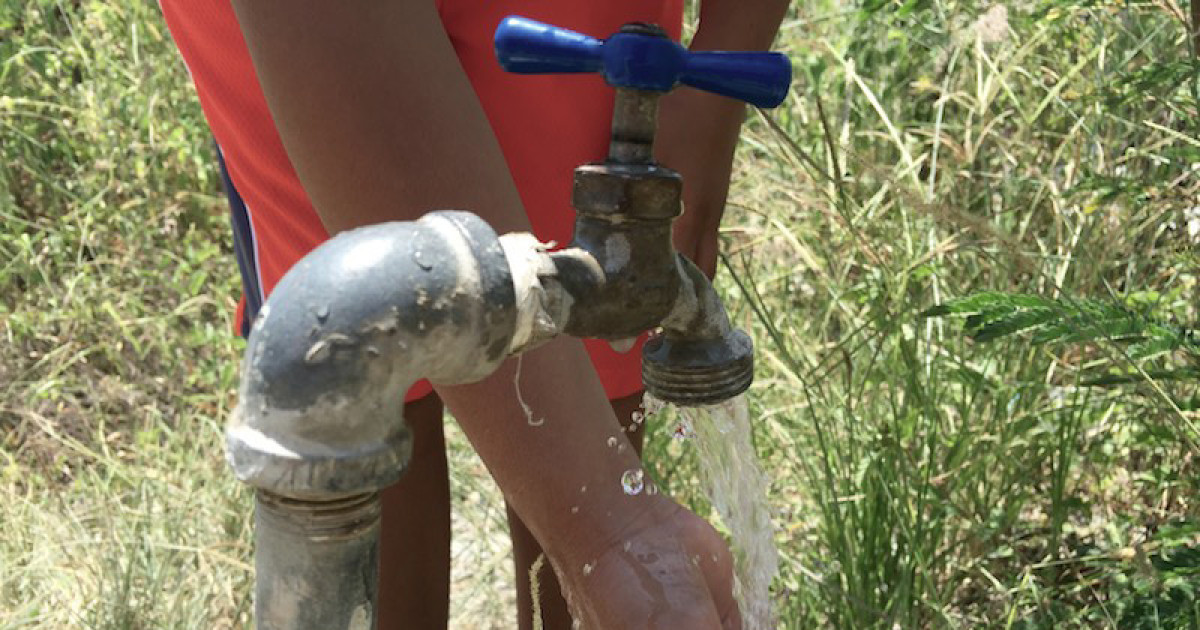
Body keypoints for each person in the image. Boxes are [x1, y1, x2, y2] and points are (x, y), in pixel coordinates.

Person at [159, 1, 787, 628]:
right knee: (356, 357)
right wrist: (609, 532)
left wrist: (719, 77)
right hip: (295, 23)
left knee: (591, 372)